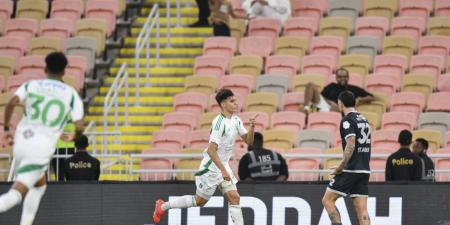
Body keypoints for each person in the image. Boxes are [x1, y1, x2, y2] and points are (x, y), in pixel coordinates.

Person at [0, 52, 84, 225]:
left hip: (21, 143)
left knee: (39, 185)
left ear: (45, 68)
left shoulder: (31, 84)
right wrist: (74, 137)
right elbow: (79, 127)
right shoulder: (71, 94)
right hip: (39, 149)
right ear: (64, 72)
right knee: (16, 194)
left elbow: (11, 103)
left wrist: (7, 128)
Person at [153, 89, 256, 225]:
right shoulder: (219, 123)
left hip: (223, 166)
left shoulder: (236, 121)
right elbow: (211, 151)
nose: (236, 103)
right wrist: (223, 170)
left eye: (235, 100)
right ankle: (163, 206)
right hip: (211, 168)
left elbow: (249, 141)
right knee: (199, 201)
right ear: (223, 105)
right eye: (232, 101)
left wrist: (252, 127)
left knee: (234, 197)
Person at [322, 91, 371, 225]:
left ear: (340, 103)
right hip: (364, 170)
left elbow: (351, 144)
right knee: (361, 209)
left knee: (327, 200)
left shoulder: (347, 120)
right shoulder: (364, 119)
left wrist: (341, 166)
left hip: (351, 170)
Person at [303, 68, 374, 113]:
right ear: (336, 78)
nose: (342, 78)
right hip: (325, 106)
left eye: (345, 77)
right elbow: (321, 96)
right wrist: (330, 102)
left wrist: (360, 99)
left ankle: (311, 111)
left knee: (342, 107)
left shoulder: (354, 89)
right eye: (340, 77)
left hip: (335, 110)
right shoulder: (331, 86)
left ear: (348, 77)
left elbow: (371, 97)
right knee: (310, 85)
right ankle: (306, 108)